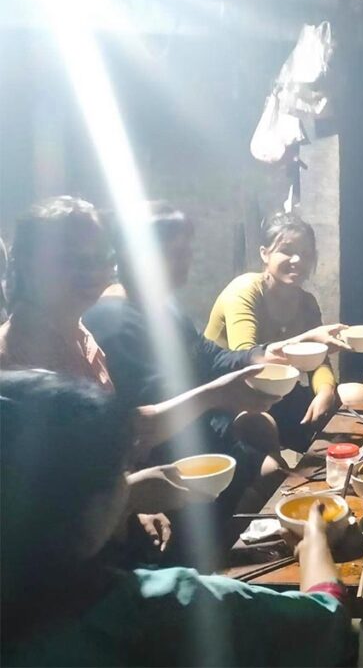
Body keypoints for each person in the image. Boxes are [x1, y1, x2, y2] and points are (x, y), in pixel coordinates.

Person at [0, 369, 354, 667]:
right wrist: (314, 545)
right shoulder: (152, 608)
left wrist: (128, 498)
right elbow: (321, 621)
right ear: (88, 509)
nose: (129, 479)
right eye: (123, 470)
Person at [0, 196, 285, 553]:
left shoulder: (82, 335)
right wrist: (130, 494)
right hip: (60, 571)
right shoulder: (16, 361)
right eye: (70, 259)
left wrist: (129, 503)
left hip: (109, 524)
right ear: (28, 264)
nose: (90, 272)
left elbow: (109, 438)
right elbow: (38, 498)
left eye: (98, 259)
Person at [85, 203, 349, 510]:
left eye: (186, 251)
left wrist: (279, 349)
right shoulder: (115, 321)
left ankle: (240, 529)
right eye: (172, 252)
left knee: (273, 464)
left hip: (202, 423)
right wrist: (219, 395)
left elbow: (212, 357)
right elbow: (141, 424)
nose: (184, 262)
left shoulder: (162, 306)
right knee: (268, 464)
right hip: (165, 451)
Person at [205, 212, 338, 449]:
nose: (297, 259)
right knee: (262, 435)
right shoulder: (245, 291)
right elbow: (246, 361)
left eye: (306, 254)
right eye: (287, 250)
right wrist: (305, 340)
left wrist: (325, 392)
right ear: (264, 253)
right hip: (232, 398)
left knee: (349, 398)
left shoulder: (307, 302)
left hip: (280, 393)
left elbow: (319, 361)